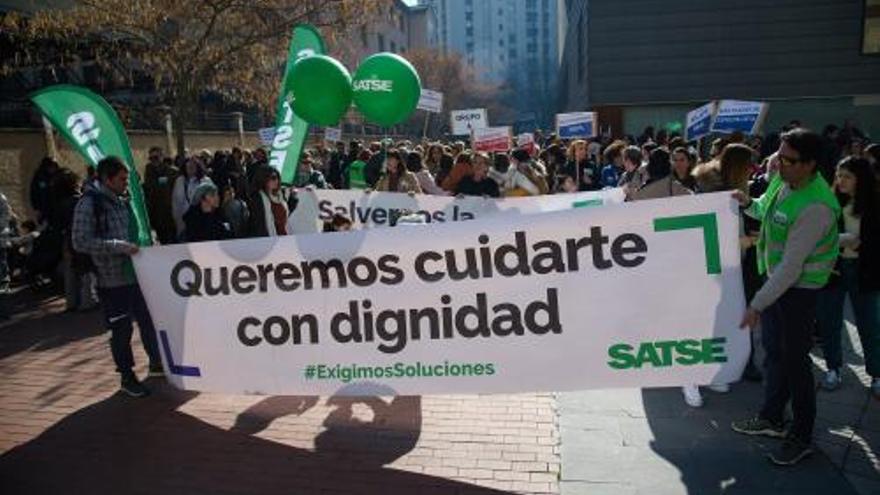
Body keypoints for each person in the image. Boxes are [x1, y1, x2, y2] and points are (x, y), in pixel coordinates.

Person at [731, 128, 841, 466]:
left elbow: (792, 267)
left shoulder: (817, 206)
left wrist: (756, 303)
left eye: (789, 160)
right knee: (775, 354)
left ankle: (801, 436)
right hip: (777, 285)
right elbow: (766, 208)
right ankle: (772, 417)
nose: (779, 164)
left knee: (796, 363)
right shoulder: (785, 179)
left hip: (798, 292)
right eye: (778, 156)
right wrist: (749, 202)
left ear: (809, 165)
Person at [72, 156, 162, 398]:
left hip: (137, 275)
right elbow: (80, 241)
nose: (126, 183)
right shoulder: (89, 204)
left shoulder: (123, 201)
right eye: (122, 179)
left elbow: (135, 232)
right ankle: (127, 376)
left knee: (148, 320)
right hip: (112, 280)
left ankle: (156, 363)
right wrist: (118, 246)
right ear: (107, 179)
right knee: (122, 331)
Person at [816, 157, 879, 396]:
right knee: (829, 321)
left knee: (870, 324)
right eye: (839, 175)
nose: (840, 181)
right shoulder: (829, 202)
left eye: (847, 176)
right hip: (833, 268)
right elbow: (818, 235)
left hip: (864, 271)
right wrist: (839, 241)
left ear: (861, 179)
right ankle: (833, 368)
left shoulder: (874, 203)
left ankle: (876, 374)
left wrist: (861, 244)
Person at [51, 168, 98, 312]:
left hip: (66, 239)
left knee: (71, 272)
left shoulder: (58, 203)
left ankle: (71, 302)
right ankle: (87, 301)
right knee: (86, 270)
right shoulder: (79, 201)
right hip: (80, 236)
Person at [143, 148, 179, 245]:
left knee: (173, 242)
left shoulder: (172, 172)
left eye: (156, 157)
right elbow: (148, 189)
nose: (153, 160)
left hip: (169, 213)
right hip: (156, 213)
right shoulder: (149, 170)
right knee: (162, 241)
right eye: (151, 158)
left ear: (162, 157)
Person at [171, 156, 211, 238]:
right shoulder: (179, 181)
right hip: (184, 222)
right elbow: (175, 202)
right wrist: (178, 223)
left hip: (202, 222)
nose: (190, 169)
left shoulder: (205, 181)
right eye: (188, 167)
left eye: (193, 167)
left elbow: (212, 201)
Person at [247, 166, 289, 237]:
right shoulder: (257, 199)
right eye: (273, 178)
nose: (276, 181)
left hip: (283, 237)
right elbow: (259, 224)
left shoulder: (280, 195)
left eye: (277, 178)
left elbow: (286, 216)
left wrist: (293, 199)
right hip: (267, 239)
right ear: (263, 179)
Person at [30, 157, 60, 222]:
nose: (52, 169)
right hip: (44, 209)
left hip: (57, 209)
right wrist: (37, 209)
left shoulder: (58, 176)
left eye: (54, 167)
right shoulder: (39, 177)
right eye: (50, 167)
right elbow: (34, 193)